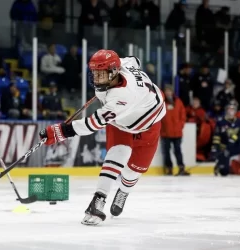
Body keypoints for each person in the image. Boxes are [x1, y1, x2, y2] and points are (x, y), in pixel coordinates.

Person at [39, 50, 166, 225]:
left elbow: (93, 124)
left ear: (114, 72)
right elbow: (134, 60)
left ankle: (123, 191)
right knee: (118, 152)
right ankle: (98, 200)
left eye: (101, 73)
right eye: (95, 72)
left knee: (132, 171)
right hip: (121, 121)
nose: (96, 77)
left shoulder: (123, 97)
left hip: (149, 125)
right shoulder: (122, 66)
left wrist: (60, 132)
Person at [160, 84, 188, 176]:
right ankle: (169, 168)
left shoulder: (178, 102)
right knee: (166, 152)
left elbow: (183, 115)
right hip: (165, 133)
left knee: (178, 151)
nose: (168, 92)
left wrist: (180, 126)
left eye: (169, 90)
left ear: (172, 92)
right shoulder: (162, 102)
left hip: (177, 133)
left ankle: (181, 168)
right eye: (166, 90)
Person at [211, 103, 240, 176]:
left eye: (233, 109)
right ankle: (220, 165)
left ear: (235, 111)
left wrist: (234, 139)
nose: (231, 111)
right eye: (229, 109)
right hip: (224, 147)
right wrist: (216, 147)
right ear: (226, 111)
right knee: (224, 172)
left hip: (235, 146)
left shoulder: (239, 121)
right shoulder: (220, 122)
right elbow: (216, 136)